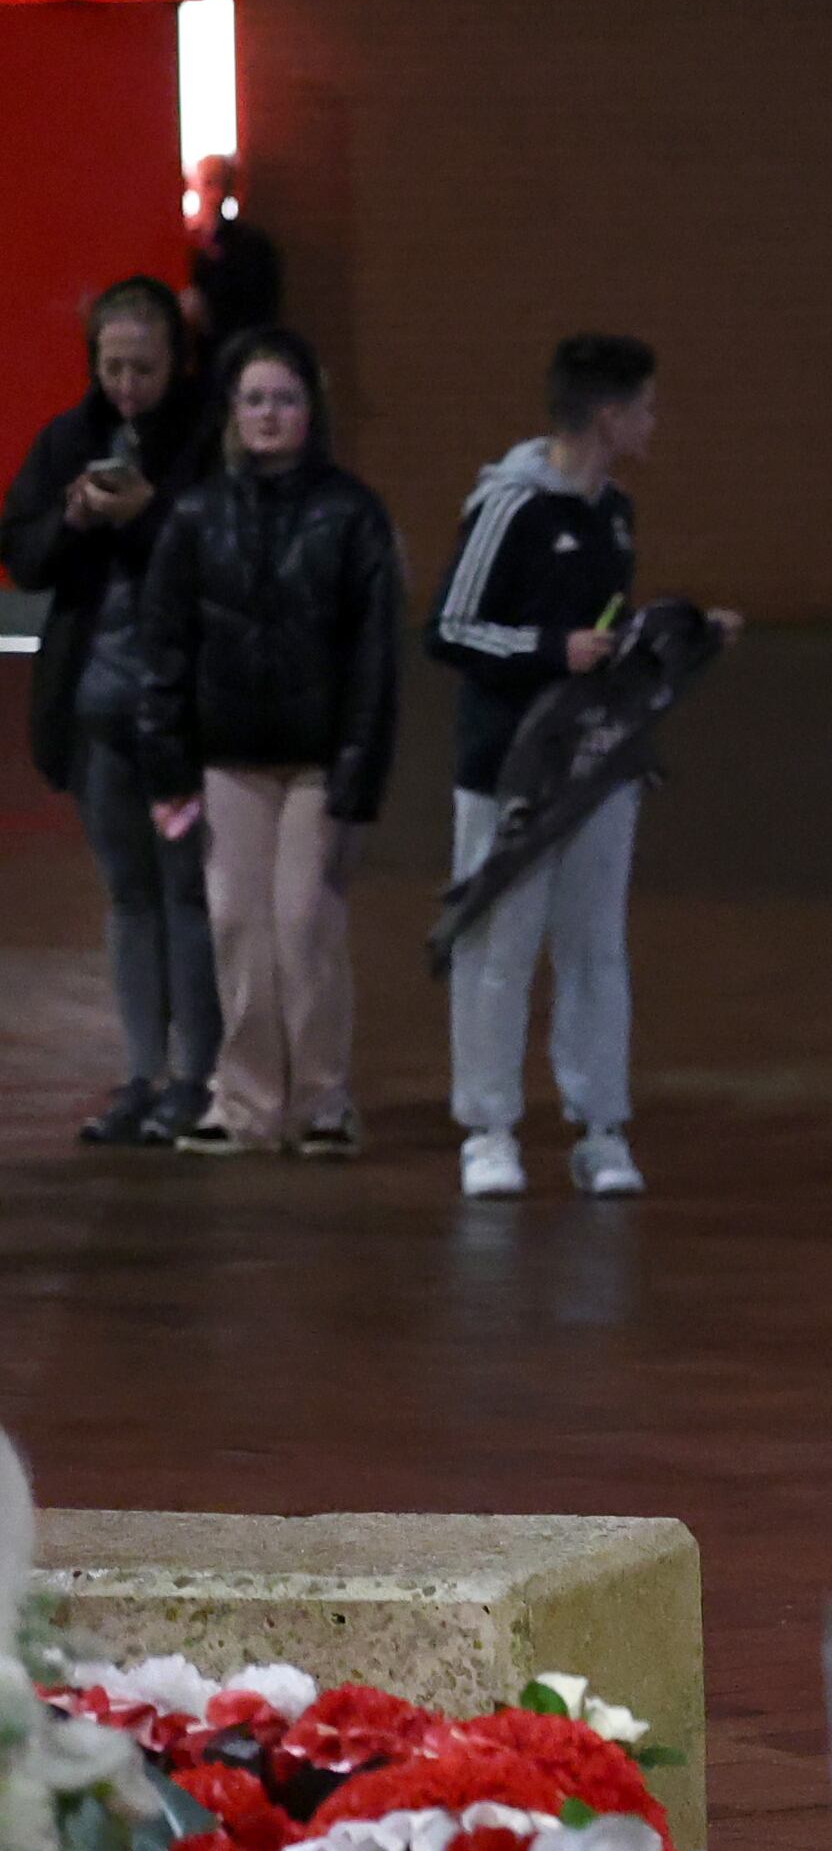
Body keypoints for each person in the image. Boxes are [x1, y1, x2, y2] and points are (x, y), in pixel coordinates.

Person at [434, 334, 738, 1201]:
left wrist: (679, 635)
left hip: (597, 763)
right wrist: (550, 648)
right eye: (644, 407)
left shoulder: (614, 513)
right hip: (510, 769)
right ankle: (488, 1129)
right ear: (607, 416)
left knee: (596, 947)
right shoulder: (509, 508)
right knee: (499, 946)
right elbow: (449, 628)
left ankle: (599, 1126)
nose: (654, 422)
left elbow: (608, 625)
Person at [122, 327, 404, 1160]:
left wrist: (360, 771)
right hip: (229, 758)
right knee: (239, 924)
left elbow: (375, 658)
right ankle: (243, 1102)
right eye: (254, 398)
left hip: (319, 761)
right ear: (232, 413)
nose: (269, 413)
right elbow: (164, 647)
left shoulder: (354, 514)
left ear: (310, 410)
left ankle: (321, 1099)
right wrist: (168, 762)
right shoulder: (195, 516)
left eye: (284, 397)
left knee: (303, 920)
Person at [5, 283, 222, 1144]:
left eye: (144, 367)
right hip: (94, 711)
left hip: (183, 718)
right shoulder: (68, 438)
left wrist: (150, 515)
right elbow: (20, 553)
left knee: (188, 894)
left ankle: (196, 1076)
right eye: (112, 366)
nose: (127, 384)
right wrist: (71, 517)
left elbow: (226, 549)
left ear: (177, 363)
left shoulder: (207, 438)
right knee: (129, 896)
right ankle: (140, 1073)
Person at [186, 155, 281, 351]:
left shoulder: (251, 245)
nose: (214, 192)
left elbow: (260, 307)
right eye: (208, 182)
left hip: (235, 347)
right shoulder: (184, 241)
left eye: (221, 183)